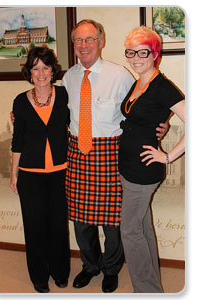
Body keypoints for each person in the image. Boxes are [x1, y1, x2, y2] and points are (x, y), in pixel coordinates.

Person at [61, 19, 168, 293]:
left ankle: (111, 269)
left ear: (101, 41)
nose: (84, 46)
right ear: (73, 45)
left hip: (110, 153)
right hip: (78, 153)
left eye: (89, 39)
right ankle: (90, 266)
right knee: (82, 221)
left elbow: (140, 107)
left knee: (113, 222)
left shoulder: (120, 75)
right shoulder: (68, 77)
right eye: (78, 41)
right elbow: (57, 114)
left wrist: (162, 124)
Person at [118, 26, 185, 293]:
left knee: (130, 231)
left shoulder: (161, 86)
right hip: (128, 166)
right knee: (142, 228)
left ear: (154, 53)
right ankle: (152, 288)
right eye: (130, 52)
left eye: (142, 51)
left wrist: (168, 156)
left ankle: (146, 292)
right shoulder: (139, 82)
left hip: (143, 171)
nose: (135, 57)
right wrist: (163, 125)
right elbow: (144, 118)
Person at [10, 47, 70, 293]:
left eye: (45, 67)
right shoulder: (20, 101)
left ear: (52, 70)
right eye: (36, 68)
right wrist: (14, 174)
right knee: (34, 227)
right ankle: (39, 276)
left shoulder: (66, 95)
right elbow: (18, 140)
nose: (41, 72)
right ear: (30, 72)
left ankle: (60, 272)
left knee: (57, 226)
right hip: (30, 174)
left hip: (60, 172)